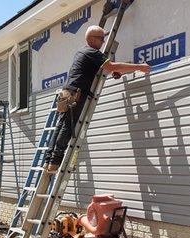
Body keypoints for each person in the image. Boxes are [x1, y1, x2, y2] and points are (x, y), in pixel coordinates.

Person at [44, 25, 151, 173]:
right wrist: (139, 67)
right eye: (101, 39)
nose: (103, 42)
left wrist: (114, 71)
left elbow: (95, 69)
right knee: (68, 127)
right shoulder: (92, 52)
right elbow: (111, 65)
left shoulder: (82, 51)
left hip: (67, 93)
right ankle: (55, 161)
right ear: (93, 39)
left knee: (61, 125)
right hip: (77, 94)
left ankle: (49, 160)